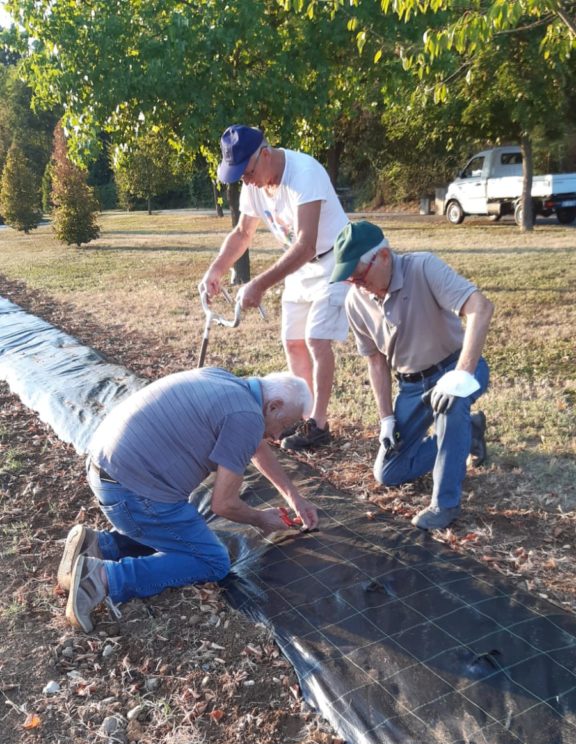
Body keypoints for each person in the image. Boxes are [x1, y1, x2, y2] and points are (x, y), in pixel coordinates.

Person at [58, 368, 318, 633]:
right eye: (284, 426)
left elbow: (255, 447)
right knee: (212, 561)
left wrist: (294, 497)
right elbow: (223, 504)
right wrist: (261, 518)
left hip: (106, 470)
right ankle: (101, 578)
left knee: (178, 529)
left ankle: (99, 545)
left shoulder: (230, 383)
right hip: (131, 493)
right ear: (273, 406)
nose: (278, 437)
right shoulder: (247, 418)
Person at [330, 220, 493, 530]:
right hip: (411, 387)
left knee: (452, 404)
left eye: (359, 275)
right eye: (350, 279)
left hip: (455, 366)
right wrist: (386, 419)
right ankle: (468, 433)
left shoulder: (423, 267)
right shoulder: (355, 302)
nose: (357, 284)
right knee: (388, 472)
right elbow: (376, 362)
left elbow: (480, 308)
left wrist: (461, 375)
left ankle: (445, 504)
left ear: (385, 256)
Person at [200, 124, 350, 451]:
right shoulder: (254, 183)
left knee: (316, 338)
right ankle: (303, 416)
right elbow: (242, 233)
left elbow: (307, 243)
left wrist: (260, 284)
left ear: (265, 154)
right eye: (240, 176)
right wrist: (217, 268)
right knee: (293, 341)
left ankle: (319, 425)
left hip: (334, 259)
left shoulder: (304, 173)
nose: (247, 180)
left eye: (248, 172)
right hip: (300, 264)